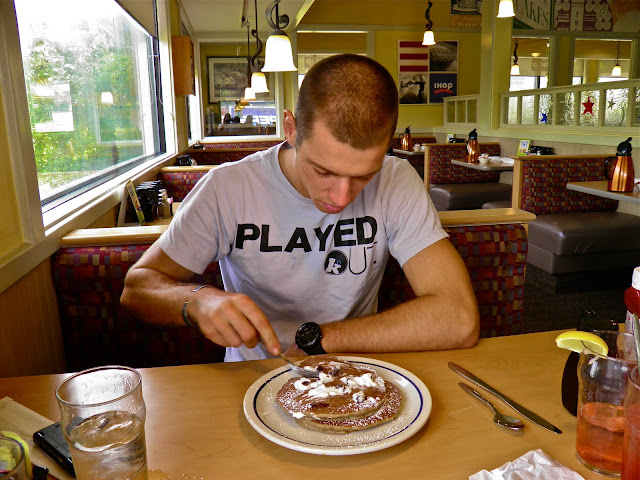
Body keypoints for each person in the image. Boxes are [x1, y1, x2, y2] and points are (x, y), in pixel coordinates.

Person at [121, 54, 479, 362]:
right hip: (250, 374)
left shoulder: (396, 178)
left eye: (363, 176)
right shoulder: (227, 188)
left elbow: (459, 319)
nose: (340, 198)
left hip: (352, 371)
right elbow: (137, 288)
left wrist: (321, 341)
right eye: (323, 170)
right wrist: (195, 301)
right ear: (291, 129)